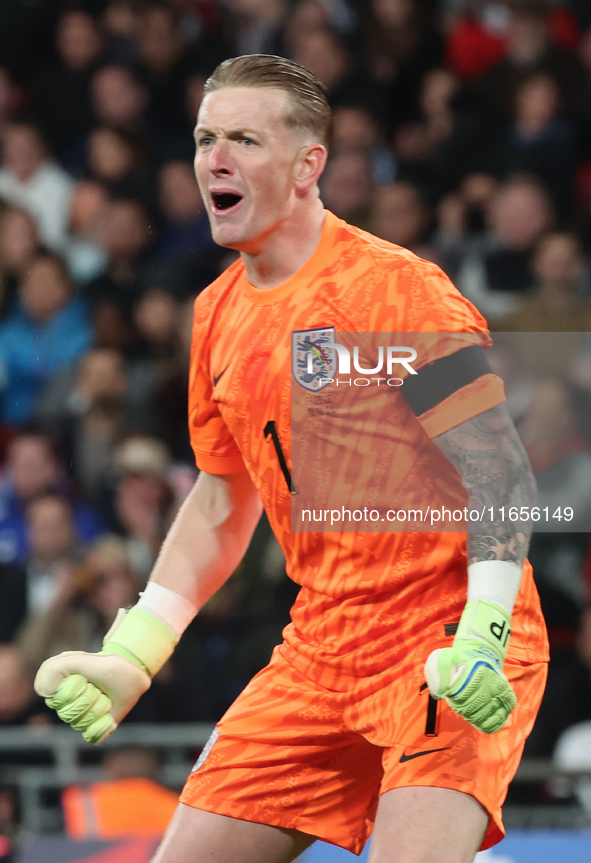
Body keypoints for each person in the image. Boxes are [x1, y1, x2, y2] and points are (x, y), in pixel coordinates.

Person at [35, 55, 549, 863]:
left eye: (244, 138)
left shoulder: (396, 289)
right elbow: (220, 499)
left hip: (447, 638)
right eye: (207, 139)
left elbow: (502, 474)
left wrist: (482, 629)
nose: (216, 159)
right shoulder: (213, 315)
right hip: (319, 647)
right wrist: (135, 649)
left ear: (309, 165)